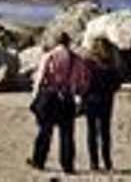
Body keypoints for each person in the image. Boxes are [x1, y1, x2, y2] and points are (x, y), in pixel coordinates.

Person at [29, 32, 82, 174]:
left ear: (56, 42)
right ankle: (67, 165)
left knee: (45, 131)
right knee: (67, 134)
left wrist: (35, 98)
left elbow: (40, 79)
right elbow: (78, 83)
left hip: (49, 96)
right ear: (68, 42)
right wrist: (77, 99)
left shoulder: (49, 56)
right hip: (67, 98)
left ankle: (38, 161)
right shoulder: (76, 59)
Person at [80, 38, 122, 173]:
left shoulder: (88, 63)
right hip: (106, 101)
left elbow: (83, 82)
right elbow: (117, 85)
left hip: (90, 100)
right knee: (105, 132)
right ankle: (107, 161)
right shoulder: (111, 64)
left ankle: (94, 162)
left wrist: (83, 94)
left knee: (91, 132)